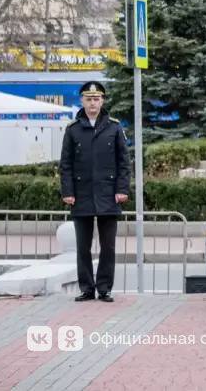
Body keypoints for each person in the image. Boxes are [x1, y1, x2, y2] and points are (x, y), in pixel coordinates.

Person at [60, 80, 129, 302]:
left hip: (109, 194)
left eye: (96, 99)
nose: (92, 103)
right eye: (89, 99)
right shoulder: (73, 129)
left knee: (108, 247)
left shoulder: (114, 127)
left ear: (102, 101)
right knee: (83, 247)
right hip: (81, 195)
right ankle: (87, 288)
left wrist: (122, 189)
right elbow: (66, 164)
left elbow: (124, 162)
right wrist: (68, 192)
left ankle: (105, 288)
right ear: (82, 101)